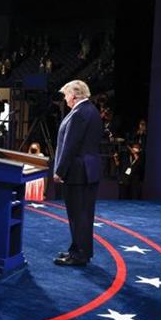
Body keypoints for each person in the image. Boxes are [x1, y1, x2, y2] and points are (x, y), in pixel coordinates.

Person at [53, 80, 103, 267]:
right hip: (86, 170)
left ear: (74, 95)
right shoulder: (90, 110)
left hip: (78, 172)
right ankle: (79, 249)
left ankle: (80, 254)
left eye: (66, 95)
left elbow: (70, 146)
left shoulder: (80, 113)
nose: (65, 99)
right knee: (81, 214)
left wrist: (59, 170)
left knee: (79, 215)